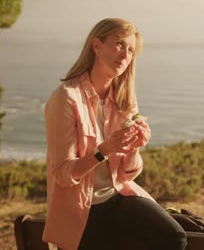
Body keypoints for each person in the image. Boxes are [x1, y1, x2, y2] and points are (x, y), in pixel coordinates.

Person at [42, 18, 187, 250]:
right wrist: (104, 151)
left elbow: (128, 173)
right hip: (82, 209)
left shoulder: (125, 99)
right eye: (119, 44)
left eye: (130, 51)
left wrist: (134, 147)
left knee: (175, 237)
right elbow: (62, 174)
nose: (125, 55)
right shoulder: (66, 98)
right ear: (97, 46)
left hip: (117, 195)